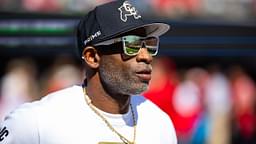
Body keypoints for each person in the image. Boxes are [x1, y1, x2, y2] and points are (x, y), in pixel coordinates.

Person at [0, 0, 177, 143]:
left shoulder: (160, 123)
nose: (146, 56)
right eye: (131, 45)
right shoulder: (36, 122)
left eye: (149, 44)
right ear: (92, 57)